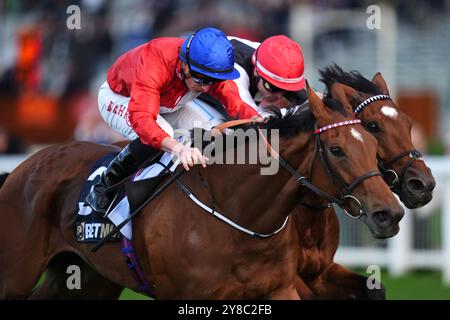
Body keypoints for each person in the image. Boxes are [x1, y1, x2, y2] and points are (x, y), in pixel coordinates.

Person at [86, 27, 261, 214]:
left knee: (210, 131)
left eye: (211, 80)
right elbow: (143, 119)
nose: (205, 88)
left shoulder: (206, 70)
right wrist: (178, 148)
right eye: (200, 79)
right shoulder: (156, 59)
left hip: (168, 103)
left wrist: (256, 119)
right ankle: (104, 186)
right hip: (122, 97)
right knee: (163, 137)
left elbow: (232, 97)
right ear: (185, 63)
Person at [200, 35, 307, 117]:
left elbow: (309, 102)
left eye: (284, 89)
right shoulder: (235, 72)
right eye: (273, 87)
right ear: (256, 71)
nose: (279, 95)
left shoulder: (268, 59)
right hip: (195, 95)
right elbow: (253, 119)